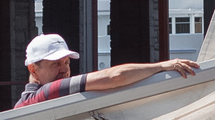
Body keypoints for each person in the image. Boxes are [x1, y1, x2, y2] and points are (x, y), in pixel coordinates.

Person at [14, 33, 199, 107]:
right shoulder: (48, 92)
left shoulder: (22, 103)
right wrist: (162, 66)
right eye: (55, 64)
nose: (64, 70)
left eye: (67, 63)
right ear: (33, 70)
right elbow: (115, 77)